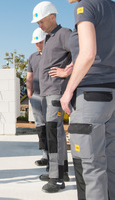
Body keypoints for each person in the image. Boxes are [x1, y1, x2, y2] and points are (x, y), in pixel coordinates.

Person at [60, 0, 115, 199]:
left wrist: (68, 90)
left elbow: (89, 53)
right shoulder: (110, 6)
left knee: (89, 166)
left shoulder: (85, 6)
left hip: (90, 98)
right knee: (110, 164)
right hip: (111, 96)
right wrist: (76, 63)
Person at [31, 1, 72, 193]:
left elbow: (81, 53)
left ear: (52, 17)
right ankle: (61, 171)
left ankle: (56, 178)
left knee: (53, 134)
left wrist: (66, 71)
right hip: (47, 93)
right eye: (37, 22)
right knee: (57, 133)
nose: (39, 25)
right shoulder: (48, 37)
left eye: (41, 21)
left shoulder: (64, 33)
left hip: (56, 91)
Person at [27, 28, 48, 168]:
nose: (38, 45)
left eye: (40, 42)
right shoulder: (32, 57)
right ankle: (45, 156)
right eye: (36, 43)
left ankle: (55, 158)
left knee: (51, 126)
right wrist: (29, 93)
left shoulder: (52, 55)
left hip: (50, 95)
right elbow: (29, 76)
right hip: (36, 96)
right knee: (41, 127)